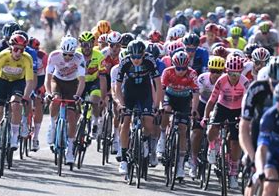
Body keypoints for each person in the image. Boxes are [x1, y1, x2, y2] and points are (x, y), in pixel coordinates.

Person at [240, 56, 279, 196]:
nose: (277, 88)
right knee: (257, 182)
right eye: (274, 83)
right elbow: (244, 127)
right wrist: (252, 157)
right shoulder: (257, 89)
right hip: (260, 136)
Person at [116, 40, 162, 174]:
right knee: (125, 123)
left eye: (138, 57)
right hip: (129, 92)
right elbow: (118, 86)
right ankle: (124, 159)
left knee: (148, 122)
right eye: (133, 57)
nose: (136, 60)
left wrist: (157, 105)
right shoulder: (124, 62)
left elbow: (158, 84)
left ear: (143, 54)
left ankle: (146, 142)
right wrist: (121, 103)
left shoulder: (150, 60)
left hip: (145, 91)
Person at [202, 55, 249, 189]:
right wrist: (205, 117)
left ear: (240, 72)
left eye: (237, 74)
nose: (234, 76)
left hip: (238, 109)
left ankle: (233, 173)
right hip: (222, 106)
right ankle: (212, 148)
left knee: (235, 142)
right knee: (212, 128)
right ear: (226, 71)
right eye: (231, 73)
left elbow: (248, 102)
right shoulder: (221, 81)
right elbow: (212, 100)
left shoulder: (245, 82)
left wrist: (245, 117)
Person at [0, 33, 34, 159]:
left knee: (16, 104)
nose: (18, 53)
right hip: (2, 81)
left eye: (21, 50)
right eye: (16, 49)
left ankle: (14, 136)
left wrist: (26, 96)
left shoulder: (27, 58)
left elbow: (29, 82)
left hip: (18, 83)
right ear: (10, 47)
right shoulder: (3, 55)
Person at [158, 51, 200, 179]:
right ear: (173, 65)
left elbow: (196, 94)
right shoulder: (167, 72)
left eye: (183, 68)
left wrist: (194, 109)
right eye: (178, 68)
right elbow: (161, 90)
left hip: (184, 101)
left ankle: (180, 165)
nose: (181, 71)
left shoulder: (192, 74)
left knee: (183, 129)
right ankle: (163, 136)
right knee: (166, 109)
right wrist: (161, 106)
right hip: (170, 97)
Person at [45, 36, 86, 164]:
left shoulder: (79, 58)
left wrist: (78, 95)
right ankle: (52, 125)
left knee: (72, 117)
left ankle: (70, 150)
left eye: (70, 55)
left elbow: (82, 81)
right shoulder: (54, 56)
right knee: (56, 99)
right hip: (57, 81)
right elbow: (48, 78)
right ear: (61, 50)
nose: (68, 57)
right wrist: (48, 93)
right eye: (65, 54)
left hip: (72, 83)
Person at [189, 56, 225, 178]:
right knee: (197, 132)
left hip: (218, 105)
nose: (216, 74)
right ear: (209, 70)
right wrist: (194, 111)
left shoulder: (224, 80)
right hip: (202, 103)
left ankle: (218, 154)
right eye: (213, 71)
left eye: (219, 72)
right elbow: (195, 95)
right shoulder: (202, 79)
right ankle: (193, 160)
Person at [77, 31, 108, 139]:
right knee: (75, 103)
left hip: (94, 82)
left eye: (89, 44)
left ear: (93, 44)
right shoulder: (76, 55)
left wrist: (103, 98)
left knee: (95, 99)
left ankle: (94, 123)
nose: (87, 47)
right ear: (80, 44)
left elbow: (103, 78)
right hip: (79, 82)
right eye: (84, 44)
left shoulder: (99, 56)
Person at [28, 37, 48, 151]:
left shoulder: (43, 56)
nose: (33, 52)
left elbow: (48, 72)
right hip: (27, 77)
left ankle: (35, 137)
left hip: (40, 79)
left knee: (38, 103)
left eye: (35, 50)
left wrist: (43, 89)